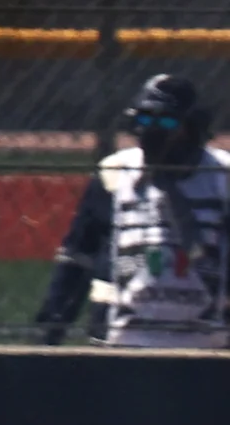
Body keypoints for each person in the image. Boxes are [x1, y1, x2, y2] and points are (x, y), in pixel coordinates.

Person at [37, 73, 230, 348]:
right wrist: (53, 325)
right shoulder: (115, 173)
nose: (152, 131)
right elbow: (79, 254)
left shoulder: (222, 176)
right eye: (144, 120)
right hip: (122, 339)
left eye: (166, 121)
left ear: (194, 127)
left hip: (207, 342)